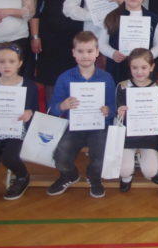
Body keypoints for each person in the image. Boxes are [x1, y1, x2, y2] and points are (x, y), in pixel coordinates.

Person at [47, 31, 116, 198]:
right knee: (60, 154)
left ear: (97, 52)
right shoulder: (65, 78)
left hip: (98, 126)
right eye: (80, 51)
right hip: (74, 126)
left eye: (90, 51)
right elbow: (53, 108)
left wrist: (108, 111)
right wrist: (63, 105)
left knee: (100, 154)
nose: (85, 56)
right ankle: (69, 175)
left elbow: (113, 106)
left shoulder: (106, 78)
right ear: (73, 53)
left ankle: (94, 178)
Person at [0, 43, 39, 202]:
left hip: (17, 130)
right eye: (2, 61)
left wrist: (29, 113)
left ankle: (22, 177)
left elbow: (35, 111)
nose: (6, 65)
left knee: (9, 158)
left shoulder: (29, 86)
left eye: (11, 61)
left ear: (20, 63)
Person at [99, 0, 158, 83]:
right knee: (119, 91)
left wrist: (147, 56)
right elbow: (102, 43)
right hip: (118, 66)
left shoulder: (153, 18)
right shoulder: (112, 17)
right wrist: (112, 53)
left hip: (143, 69)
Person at [115, 48, 158, 192]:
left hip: (149, 136)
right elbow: (116, 115)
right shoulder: (122, 86)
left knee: (150, 172)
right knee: (124, 170)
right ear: (129, 67)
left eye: (144, 67)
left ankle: (151, 169)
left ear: (152, 67)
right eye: (134, 67)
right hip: (127, 136)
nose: (139, 72)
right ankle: (127, 177)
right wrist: (120, 112)